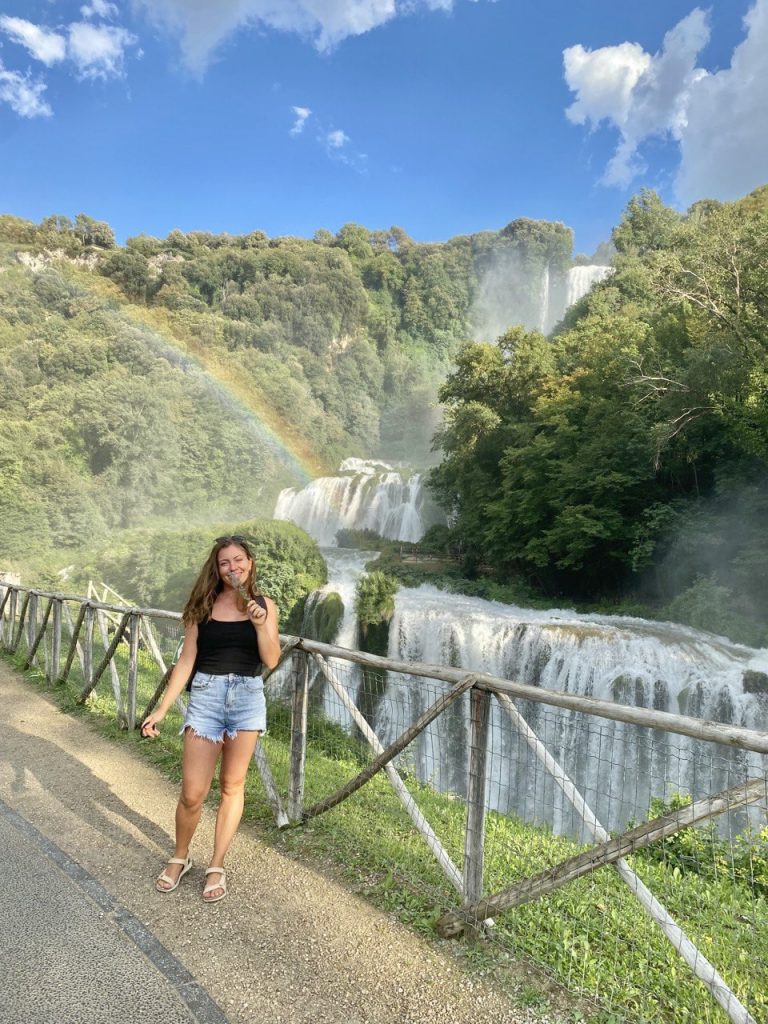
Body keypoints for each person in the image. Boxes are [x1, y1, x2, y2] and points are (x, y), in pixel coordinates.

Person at [140, 535, 280, 903]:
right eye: (225, 563)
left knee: (232, 786)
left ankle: (216, 864)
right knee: (192, 793)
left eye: (239, 560)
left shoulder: (265, 605)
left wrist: (261, 623)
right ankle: (180, 857)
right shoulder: (202, 605)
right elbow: (187, 661)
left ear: (250, 563)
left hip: (248, 698)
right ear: (216, 569)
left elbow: (271, 660)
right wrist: (162, 708)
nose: (233, 568)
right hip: (206, 697)